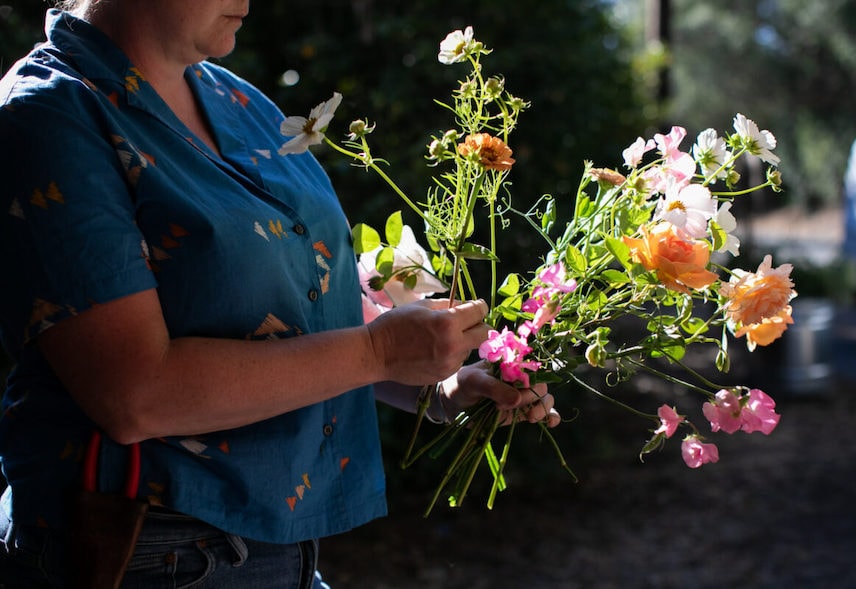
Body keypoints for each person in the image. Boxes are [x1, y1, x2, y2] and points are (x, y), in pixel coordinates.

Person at [0, 1, 560, 587]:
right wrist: (379, 353)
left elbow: (301, 312)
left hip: (281, 551)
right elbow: (135, 394)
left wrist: (441, 387)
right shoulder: (53, 115)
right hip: (145, 553)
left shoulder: (236, 99)